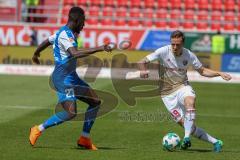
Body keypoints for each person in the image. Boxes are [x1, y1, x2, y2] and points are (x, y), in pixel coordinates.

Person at [29, 6, 113, 150]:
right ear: (76, 19)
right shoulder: (65, 34)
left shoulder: (64, 33)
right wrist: (99, 48)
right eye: (83, 21)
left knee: (95, 102)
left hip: (72, 77)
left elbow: (48, 41)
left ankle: (84, 138)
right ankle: (38, 129)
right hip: (63, 79)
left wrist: (36, 53)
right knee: (71, 112)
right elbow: (74, 53)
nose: (84, 24)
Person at [138, 30, 232, 152]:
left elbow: (202, 71)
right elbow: (142, 61)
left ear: (183, 44)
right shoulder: (163, 51)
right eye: (173, 44)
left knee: (190, 102)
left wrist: (219, 73)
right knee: (189, 126)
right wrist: (143, 70)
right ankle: (216, 142)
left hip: (182, 87)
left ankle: (186, 138)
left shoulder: (189, 55)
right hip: (167, 95)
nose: (175, 47)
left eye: (178, 44)